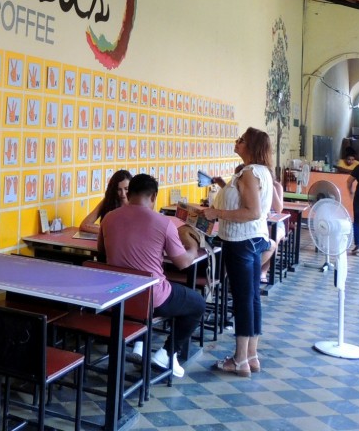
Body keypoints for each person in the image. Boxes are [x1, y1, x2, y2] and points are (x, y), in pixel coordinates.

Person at [99, 173, 205, 378]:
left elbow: (101, 251)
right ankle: (167, 353)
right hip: (150, 298)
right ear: (154, 196)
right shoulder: (163, 223)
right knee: (197, 303)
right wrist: (193, 248)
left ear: (129, 193)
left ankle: (141, 344)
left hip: (116, 296)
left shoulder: (109, 218)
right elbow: (183, 263)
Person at [200, 126, 274, 377]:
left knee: (243, 299)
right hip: (251, 239)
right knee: (251, 298)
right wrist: (224, 185)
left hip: (241, 241)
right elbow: (245, 201)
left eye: (241, 140)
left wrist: (216, 213)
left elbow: (252, 211)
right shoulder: (258, 172)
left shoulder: (250, 173)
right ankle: (252, 356)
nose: (237, 141)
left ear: (251, 146)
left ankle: (239, 359)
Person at [78, 169, 131, 235]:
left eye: (126, 189)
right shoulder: (108, 201)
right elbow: (84, 225)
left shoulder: (136, 204)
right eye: (119, 189)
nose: (123, 194)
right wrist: (108, 230)